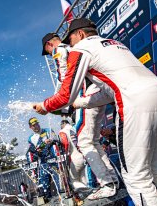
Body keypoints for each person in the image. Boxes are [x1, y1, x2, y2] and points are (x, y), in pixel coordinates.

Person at [34, 18, 157, 205]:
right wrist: (77, 104)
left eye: (69, 39)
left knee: (137, 178)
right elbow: (107, 93)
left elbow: (65, 94)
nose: (68, 44)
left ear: (80, 34)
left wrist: (45, 106)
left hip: (134, 101)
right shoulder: (115, 44)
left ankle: (108, 183)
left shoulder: (79, 49)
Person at [42, 32, 119, 200]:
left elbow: (64, 81)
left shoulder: (60, 50)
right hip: (99, 91)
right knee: (92, 141)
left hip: (86, 94)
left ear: (49, 45)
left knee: (84, 141)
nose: (49, 54)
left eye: (47, 51)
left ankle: (107, 184)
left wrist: (55, 104)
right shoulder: (75, 48)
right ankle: (112, 180)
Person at [27, 117, 60, 202]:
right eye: (33, 125)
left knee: (59, 181)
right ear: (30, 127)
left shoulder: (48, 130)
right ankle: (47, 198)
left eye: (37, 124)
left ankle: (62, 196)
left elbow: (55, 139)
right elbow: (33, 150)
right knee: (44, 184)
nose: (36, 126)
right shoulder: (31, 138)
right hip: (43, 162)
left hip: (53, 160)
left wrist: (51, 140)